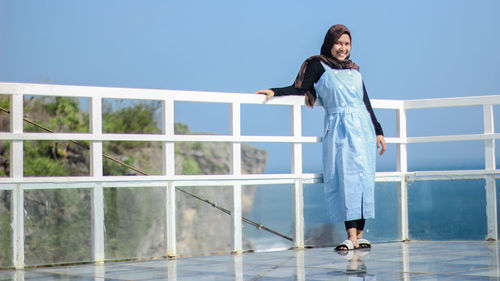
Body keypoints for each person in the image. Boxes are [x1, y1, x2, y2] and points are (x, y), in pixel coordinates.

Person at [254, 24, 386, 251]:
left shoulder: (354, 70)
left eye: (347, 44)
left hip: (363, 128)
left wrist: (378, 130)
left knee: (363, 180)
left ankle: (361, 235)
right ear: (329, 44)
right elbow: (299, 88)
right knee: (346, 178)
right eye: (339, 43)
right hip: (340, 128)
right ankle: (350, 235)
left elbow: (365, 102)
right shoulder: (318, 64)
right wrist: (275, 91)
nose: (343, 48)